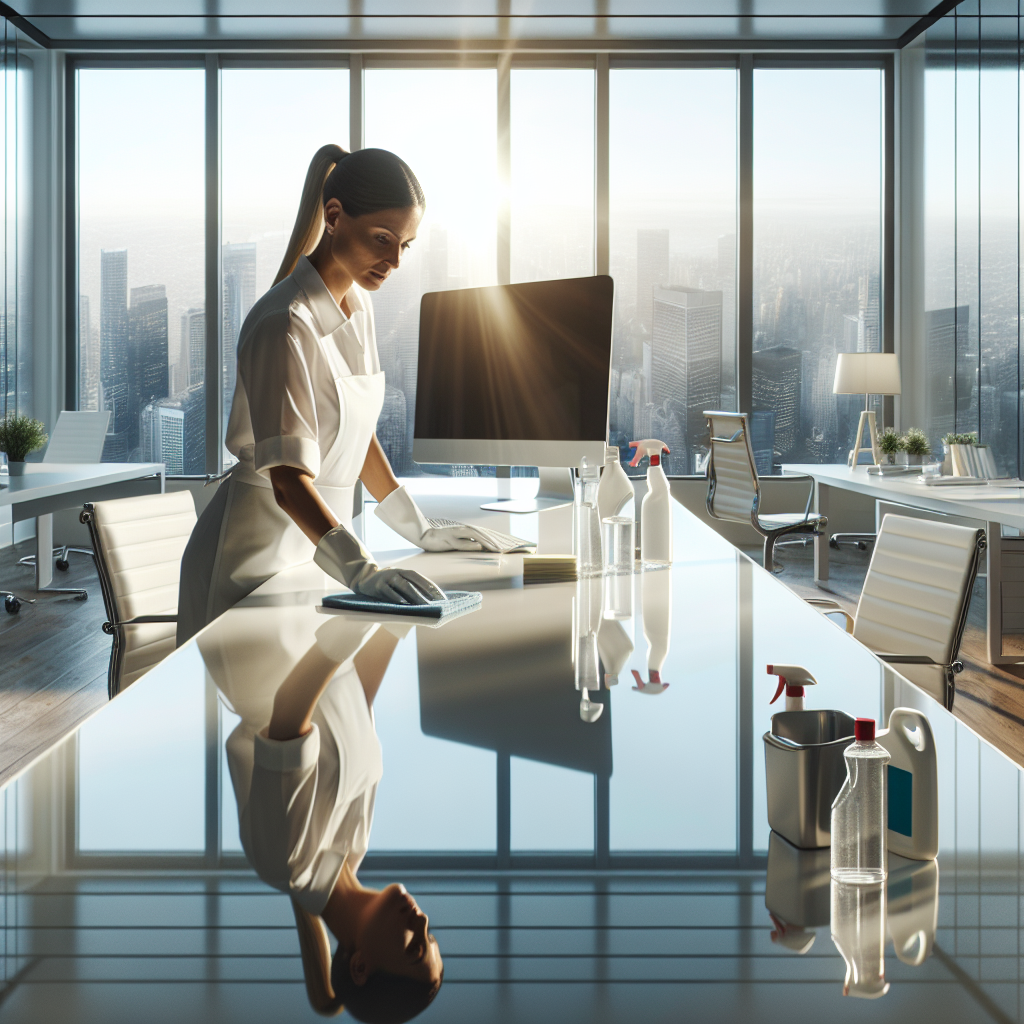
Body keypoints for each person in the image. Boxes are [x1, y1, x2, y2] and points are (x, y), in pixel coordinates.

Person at [177, 144, 515, 644]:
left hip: (319, 554)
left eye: (406, 244)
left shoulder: (358, 306)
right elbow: (288, 481)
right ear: (334, 217)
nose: (395, 261)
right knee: (263, 718)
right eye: (383, 239)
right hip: (252, 566)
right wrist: (360, 570)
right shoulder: (284, 324)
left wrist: (418, 528)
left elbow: (356, 434)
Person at [209, 613, 443, 1021]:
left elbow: (287, 715)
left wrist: (352, 625)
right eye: (432, 935)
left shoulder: (287, 864)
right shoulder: (358, 840)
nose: (422, 921)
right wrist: (399, 617)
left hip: (260, 622)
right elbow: (357, 697)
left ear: (360, 966)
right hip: (306, 614)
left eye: (414, 946)